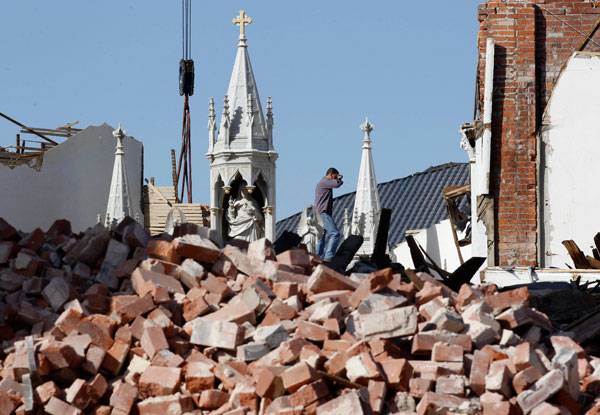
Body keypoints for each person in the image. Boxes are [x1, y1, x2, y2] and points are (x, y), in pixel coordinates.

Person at [314, 167, 343, 260]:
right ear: (331, 174)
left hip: (319, 214)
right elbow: (337, 184)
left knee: (321, 238)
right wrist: (339, 178)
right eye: (334, 176)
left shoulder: (322, 183)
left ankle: (318, 258)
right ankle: (329, 256)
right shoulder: (324, 181)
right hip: (323, 213)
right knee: (335, 234)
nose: (335, 179)